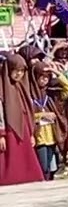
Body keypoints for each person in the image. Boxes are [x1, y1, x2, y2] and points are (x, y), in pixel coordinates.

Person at [0, 52, 45, 186]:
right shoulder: (2, 87)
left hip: (24, 128)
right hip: (9, 130)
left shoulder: (22, 87)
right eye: (15, 70)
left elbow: (28, 111)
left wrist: (31, 132)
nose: (18, 74)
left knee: (26, 159)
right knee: (9, 161)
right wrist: (1, 134)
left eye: (21, 71)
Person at [29, 62, 66, 180]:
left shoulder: (51, 92)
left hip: (51, 135)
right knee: (43, 165)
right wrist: (42, 116)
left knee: (51, 167)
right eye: (41, 77)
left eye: (47, 77)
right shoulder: (29, 93)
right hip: (39, 137)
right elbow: (27, 115)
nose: (44, 80)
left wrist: (56, 73)